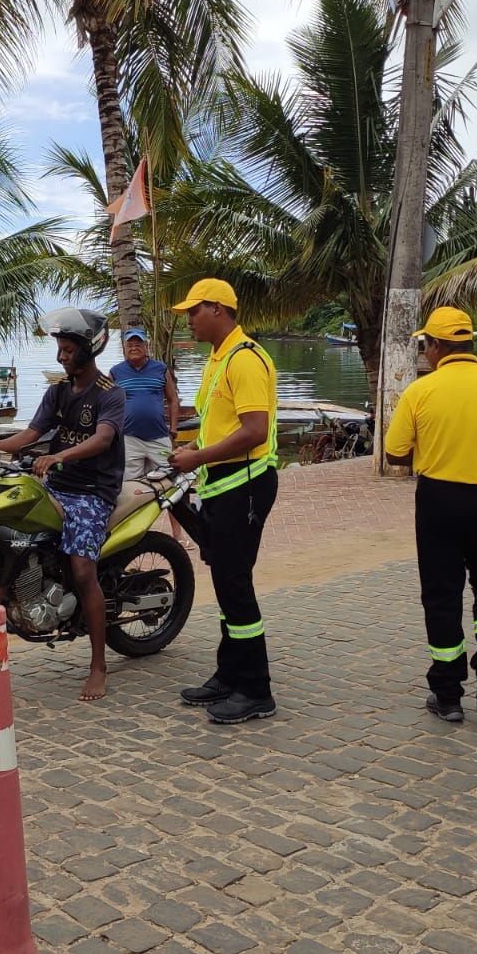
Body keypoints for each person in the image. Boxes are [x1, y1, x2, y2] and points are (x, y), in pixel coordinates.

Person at [383, 306, 477, 724]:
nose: (424, 353)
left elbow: (396, 454)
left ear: (436, 346)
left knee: (442, 596)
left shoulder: (420, 392)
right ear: (469, 344)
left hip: (437, 503)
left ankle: (448, 696)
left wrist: (436, 444)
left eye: (424, 345)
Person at [0, 309, 125, 702]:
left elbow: (103, 440)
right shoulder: (57, 391)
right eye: (59, 348)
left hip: (93, 490)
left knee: (82, 570)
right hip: (57, 484)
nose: (61, 356)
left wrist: (59, 457)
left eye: (69, 349)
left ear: (90, 349)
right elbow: (30, 433)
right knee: (14, 529)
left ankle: (98, 666)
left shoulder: (109, 392)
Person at [168, 279, 281, 725]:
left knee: (236, 585)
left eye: (193, 312)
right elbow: (221, 423)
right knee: (226, 583)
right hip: (223, 484)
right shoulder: (219, 359)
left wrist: (196, 456)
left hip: (246, 485)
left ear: (217, 309)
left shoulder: (245, 359)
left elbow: (254, 430)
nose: (189, 320)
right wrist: (189, 448)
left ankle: (256, 690)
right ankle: (229, 673)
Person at [111, 327, 188, 546]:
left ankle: (178, 534)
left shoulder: (160, 369)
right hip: (129, 438)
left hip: (159, 437)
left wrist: (173, 430)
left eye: (138, 343)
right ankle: (131, 536)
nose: (134, 347)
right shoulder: (116, 372)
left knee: (172, 484)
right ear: (125, 348)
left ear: (147, 347)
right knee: (129, 490)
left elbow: (173, 400)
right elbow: (108, 405)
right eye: (130, 344)